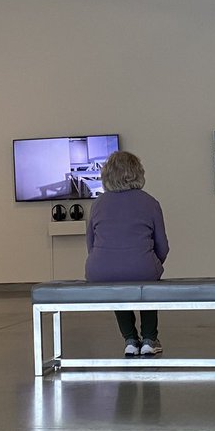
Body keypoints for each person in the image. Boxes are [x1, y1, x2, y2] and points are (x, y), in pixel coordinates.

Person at [85, 151, 169, 356]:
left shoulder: (97, 204)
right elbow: (162, 246)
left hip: (101, 270)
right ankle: (149, 338)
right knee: (148, 282)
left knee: (116, 281)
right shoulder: (150, 202)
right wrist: (152, 263)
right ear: (137, 173)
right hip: (142, 267)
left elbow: (91, 244)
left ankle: (130, 339)